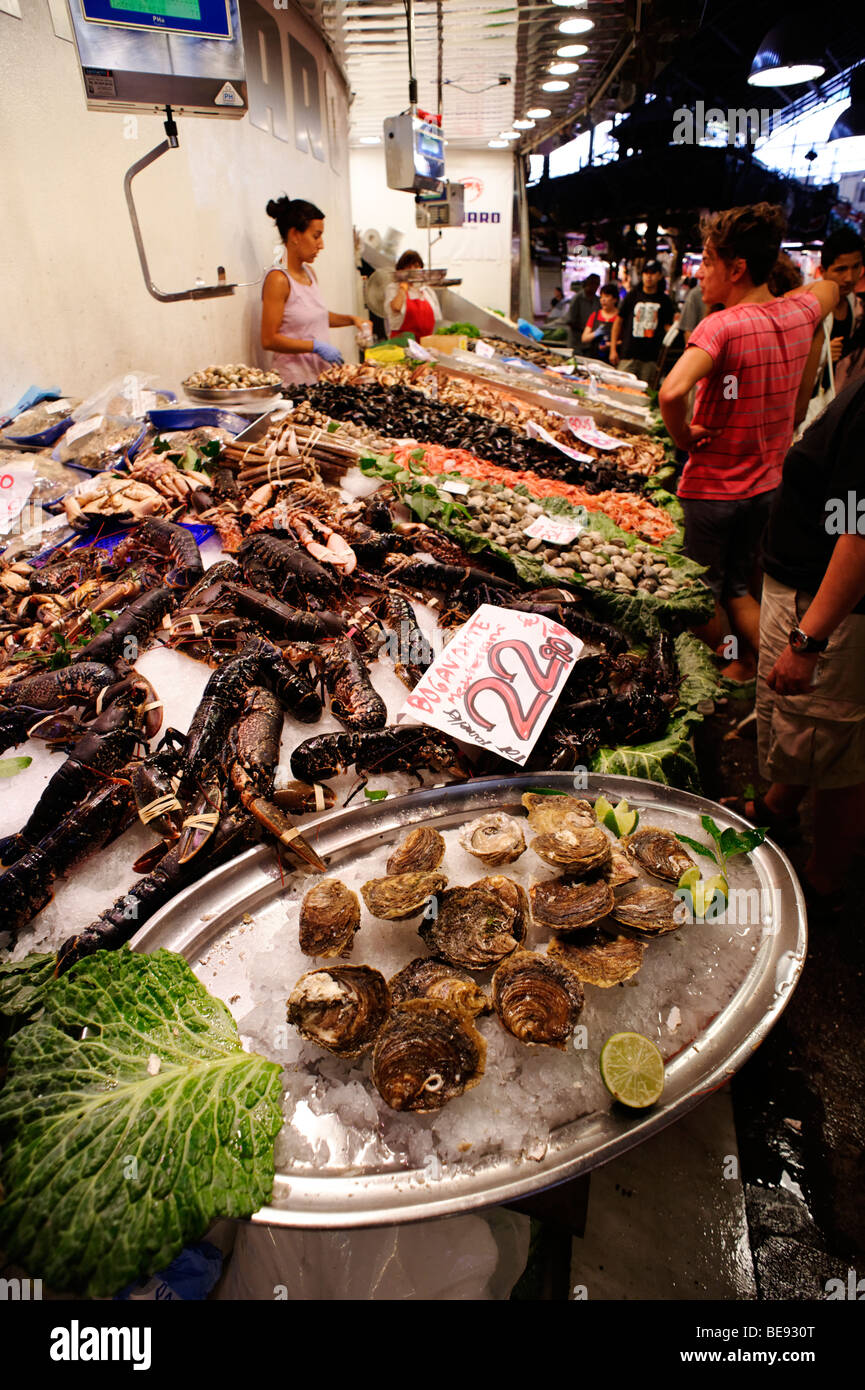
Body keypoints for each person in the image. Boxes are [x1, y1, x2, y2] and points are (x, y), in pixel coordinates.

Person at [658, 203, 837, 682]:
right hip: (766, 487)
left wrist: (683, 436)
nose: (699, 271)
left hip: (713, 490)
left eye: (707, 260)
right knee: (739, 585)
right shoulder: (799, 311)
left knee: (703, 592)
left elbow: (672, 391)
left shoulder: (721, 325)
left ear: (736, 268)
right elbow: (832, 287)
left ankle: (728, 667)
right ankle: (762, 670)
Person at [745, 376, 865, 915]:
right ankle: (777, 809)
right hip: (807, 597)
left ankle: (823, 881)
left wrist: (809, 640)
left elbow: (860, 535)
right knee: (801, 725)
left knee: (838, 751)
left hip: (829, 612)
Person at [261, 196, 370, 386]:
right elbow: (269, 339)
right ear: (294, 235)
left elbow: (315, 316)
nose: (321, 244)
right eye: (316, 236)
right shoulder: (278, 279)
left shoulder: (309, 273)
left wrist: (352, 320)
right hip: (294, 382)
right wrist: (314, 346)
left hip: (319, 377)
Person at [609, 260, 675, 385]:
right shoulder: (632, 296)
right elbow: (618, 322)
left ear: (660, 275)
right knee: (620, 388)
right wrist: (613, 349)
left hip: (650, 358)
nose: (649, 276)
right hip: (628, 355)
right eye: (646, 273)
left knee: (643, 394)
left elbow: (667, 327)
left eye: (653, 273)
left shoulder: (665, 301)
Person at [385, 250, 442, 340]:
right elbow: (396, 307)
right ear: (400, 270)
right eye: (408, 266)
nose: (412, 269)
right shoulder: (393, 288)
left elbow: (438, 320)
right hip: (402, 345)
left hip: (425, 344)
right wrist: (403, 288)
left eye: (416, 266)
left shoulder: (427, 291)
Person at [580, 282, 620, 362]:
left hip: (614, 359)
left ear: (615, 299)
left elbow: (625, 340)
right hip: (594, 358)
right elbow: (584, 338)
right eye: (601, 297)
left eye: (607, 297)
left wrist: (610, 345)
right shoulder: (595, 315)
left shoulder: (620, 317)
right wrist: (595, 333)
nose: (603, 300)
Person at [566, 274, 601, 350]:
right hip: (576, 343)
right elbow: (570, 321)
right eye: (593, 283)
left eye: (597, 284)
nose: (595, 287)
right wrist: (586, 330)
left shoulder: (597, 300)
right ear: (587, 283)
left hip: (591, 344)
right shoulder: (577, 299)